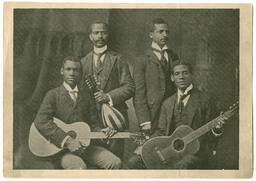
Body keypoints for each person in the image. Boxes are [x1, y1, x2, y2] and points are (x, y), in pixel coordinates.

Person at [128, 61, 223, 169]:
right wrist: (144, 146)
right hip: (170, 150)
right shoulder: (167, 103)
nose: (181, 77)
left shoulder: (205, 100)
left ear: (192, 75)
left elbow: (211, 134)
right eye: (177, 74)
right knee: (134, 162)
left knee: (181, 166)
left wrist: (217, 130)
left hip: (195, 152)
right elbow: (161, 131)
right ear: (172, 78)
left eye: (185, 73)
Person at [34, 56, 121, 169]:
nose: (72, 73)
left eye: (76, 70)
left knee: (114, 162)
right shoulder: (53, 95)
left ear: (80, 73)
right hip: (62, 150)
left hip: (86, 147)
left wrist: (101, 131)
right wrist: (67, 141)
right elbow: (41, 121)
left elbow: (93, 124)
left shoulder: (87, 95)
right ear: (62, 71)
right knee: (79, 168)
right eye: (68, 69)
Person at [80, 21, 135, 159]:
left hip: (114, 118)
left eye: (103, 32)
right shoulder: (82, 62)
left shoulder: (118, 59)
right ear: (90, 36)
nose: (100, 36)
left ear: (108, 35)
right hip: (91, 121)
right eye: (96, 33)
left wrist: (109, 97)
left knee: (115, 160)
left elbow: (130, 87)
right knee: (93, 160)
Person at [133, 18, 179, 136]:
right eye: (160, 31)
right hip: (152, 113)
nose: (165, 35)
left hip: (171, 111)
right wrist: (144, 120)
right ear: (151, 35)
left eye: (167, 32)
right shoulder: (142, 60)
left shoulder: (174, 56)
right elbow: (139, 93)